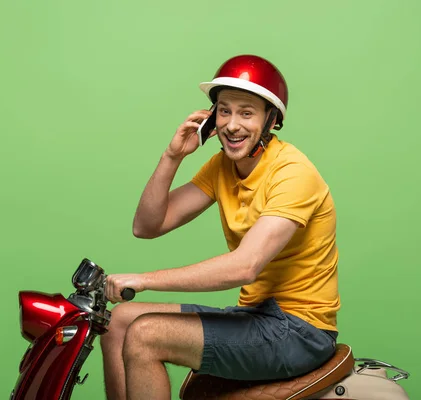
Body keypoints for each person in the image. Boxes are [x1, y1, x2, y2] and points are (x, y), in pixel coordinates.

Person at [101, 54, 340, 400]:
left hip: (299, 331)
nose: (231, 125)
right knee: (118, 321)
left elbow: (245, 266)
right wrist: (173, 156)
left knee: (145, 334)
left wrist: (143, 279)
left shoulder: (293, 173)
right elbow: (147, 225)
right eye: (224, 111)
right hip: (255, 316)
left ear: (271, 120)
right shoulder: (221, 167)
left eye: (246, 113)